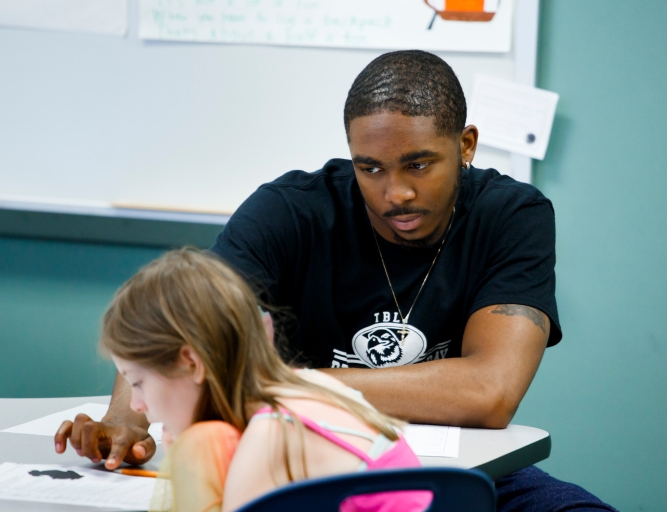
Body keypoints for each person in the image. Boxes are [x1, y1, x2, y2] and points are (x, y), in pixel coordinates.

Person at [55, 50, 616, 511]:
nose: (394, 192)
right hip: (304, 457)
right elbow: (175, 318)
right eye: (369, 167)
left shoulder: (512, 214)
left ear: (465, 145)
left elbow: (490, 391)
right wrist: (126, 417)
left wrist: (273, 385)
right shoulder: (289, 211)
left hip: (460, 467)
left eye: (418, 164)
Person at [98, 248, 430, 512]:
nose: (135, 404)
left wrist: (188, 465)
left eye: (138, 383)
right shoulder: (304, 387)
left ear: (191, 362)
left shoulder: (269, 437)